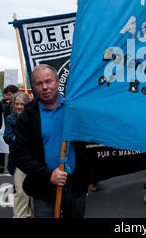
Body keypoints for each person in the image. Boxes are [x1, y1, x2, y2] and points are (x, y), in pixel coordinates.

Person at [12, 64, 87, 218]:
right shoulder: (28, 116)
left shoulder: (73, 109)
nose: (45, 87)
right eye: (39, 83)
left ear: (58, 82)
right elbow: (19, 155)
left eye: (49, 81)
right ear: (34, 87)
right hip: (44, 187)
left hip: (75, 185)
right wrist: (48, 175)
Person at [4, 92, 33, 218]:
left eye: (22, 104)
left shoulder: (34, 117)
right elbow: (7, 137)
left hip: (35, 160)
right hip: (19, 161)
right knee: (21, 192)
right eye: (17, 104)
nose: (19, 107)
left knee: (35, 195)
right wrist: (19, 138)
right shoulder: (11, 119)